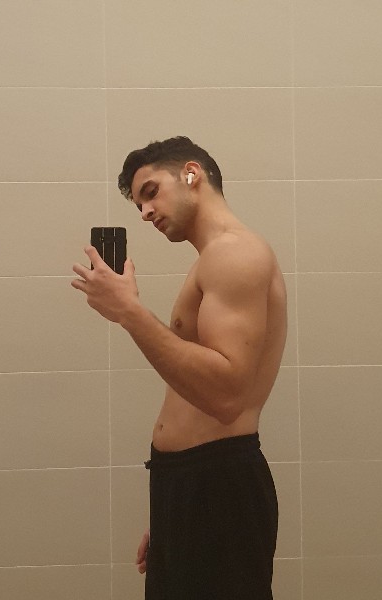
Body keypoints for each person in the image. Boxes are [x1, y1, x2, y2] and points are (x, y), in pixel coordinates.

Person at [71, 136, 287, 599]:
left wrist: (130, 313)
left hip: (218, 488)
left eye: (150, 192)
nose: (145, 212)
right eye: (139, 205)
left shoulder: (235, 254)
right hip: (193, 487)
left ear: (192, 174)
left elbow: (225, 395)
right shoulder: (213, 259)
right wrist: (169, 514)